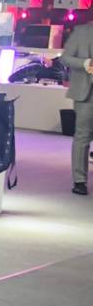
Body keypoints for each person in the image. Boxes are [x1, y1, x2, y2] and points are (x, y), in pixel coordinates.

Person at [60, 19, 93, 196]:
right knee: (82, 136)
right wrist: (86, 63)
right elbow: (65, 58)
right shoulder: (81, 31)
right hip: (86, 93)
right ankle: (80, 181)